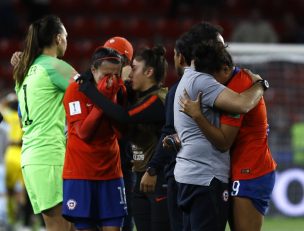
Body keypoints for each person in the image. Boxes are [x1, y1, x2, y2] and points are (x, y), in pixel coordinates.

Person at [178, 41, 276, 231]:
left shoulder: (239, 87)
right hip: (238, 168)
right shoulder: (232, 82)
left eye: (212, 78)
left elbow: (224, 142)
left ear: (224, 69)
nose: (209, 84)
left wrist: (197, 116)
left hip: (250, 170)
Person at [139, 22, 225, 231]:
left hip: (186, 177)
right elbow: (171, 134)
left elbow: (170, 133)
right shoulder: (211, 87)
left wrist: (153, 168)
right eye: (221, 48)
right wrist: (257, 88)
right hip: (201, 178)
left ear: (180, 56)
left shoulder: (183, 88)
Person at [78, 45, 170, 231]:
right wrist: (93, 76)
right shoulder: (139, 96)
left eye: (134, 69)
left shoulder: (157, 99)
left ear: (149, 71)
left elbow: (123, 116)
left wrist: (89, 90)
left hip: (158, 178)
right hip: (140, 175)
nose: (129, 75)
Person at [13, 15, 77, 231]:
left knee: (62, 226)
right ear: (58, 38)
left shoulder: (23, 73)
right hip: (49, 155)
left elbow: (22, 115)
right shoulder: (54, 66)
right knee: (61, 227)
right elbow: (90, 92)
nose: (67, 41)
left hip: (31, 157)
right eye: (66, 37)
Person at [62, 46, 127, 231]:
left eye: (116, 74)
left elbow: (121, 132)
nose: (111, 80)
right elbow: (83, 132)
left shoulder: (119, 90)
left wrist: (112, 98)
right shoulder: (76, 89)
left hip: (111, 172)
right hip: (81, 173)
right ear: (93, 70)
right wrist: (103, 102)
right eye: (106, 74)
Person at [102, 36, 135, 231]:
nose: (109, 61)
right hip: (100, 162)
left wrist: (124, 82)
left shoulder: (133, 87)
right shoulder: (98, 84)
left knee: (125, 216)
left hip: (123, 162)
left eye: (115, 58)